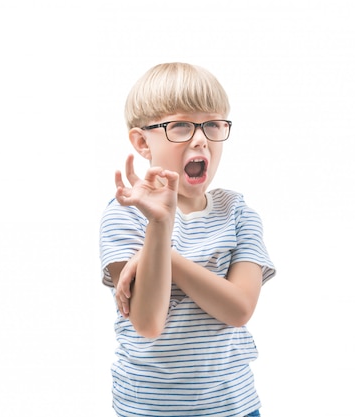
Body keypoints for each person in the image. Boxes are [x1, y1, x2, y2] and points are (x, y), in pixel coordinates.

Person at [99, 62, 276, 417]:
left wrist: (163, 257)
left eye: (212, 124)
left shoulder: (239, 214)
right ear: (141, 141)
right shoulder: (124, 213)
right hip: (146, 409)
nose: (201, 139)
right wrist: (160, 225)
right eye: (181, 125)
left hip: (233, 408)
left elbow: (239, 309)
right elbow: (148, 323)